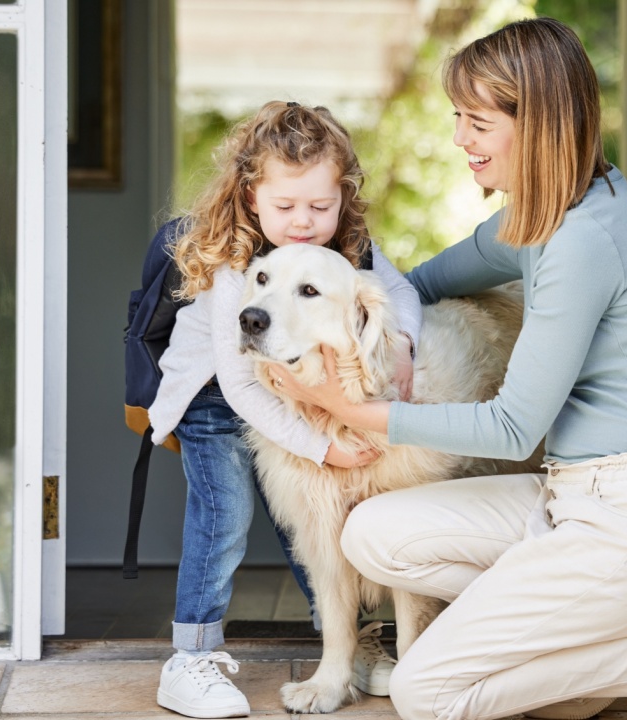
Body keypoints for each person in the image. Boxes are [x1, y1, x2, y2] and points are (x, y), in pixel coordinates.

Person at [270, 18, 627, 720]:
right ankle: (612, 621)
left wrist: (352, 408)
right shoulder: (541, 221)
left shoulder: (585, 240)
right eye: (459, 118)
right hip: (571, 498)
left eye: (477, 122)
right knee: (373, 535)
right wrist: (375, 329)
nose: (459, 139)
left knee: (429, 691)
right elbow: (416, 285)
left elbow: (514, 429)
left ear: (539, 124)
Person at [146, 101, 424, 719]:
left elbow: (399, 290)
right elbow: (241, 386)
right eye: (286, 206)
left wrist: (402, 340)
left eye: (320, 207)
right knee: (227, 514)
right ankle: (191, 654)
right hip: (216, 396)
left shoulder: (346, 252)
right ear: (251, 198)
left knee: (313, 522)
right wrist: (324, 447)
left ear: (342, 201)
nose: (303, 222)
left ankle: (351, 645)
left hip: (293, 387)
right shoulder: (231, 264)